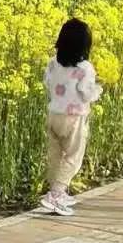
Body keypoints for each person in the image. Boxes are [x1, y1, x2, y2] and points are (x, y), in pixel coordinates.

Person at [39, 18, 102, 216]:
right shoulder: (85, 68)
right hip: (73, 119)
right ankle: (56, 195)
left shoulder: (52, 63)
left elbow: (47, 82)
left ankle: (56, 191)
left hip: (54, 114)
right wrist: (97, 91)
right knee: (73, 158)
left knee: (56, 155)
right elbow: (85, 93)